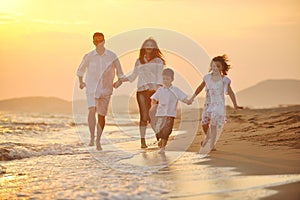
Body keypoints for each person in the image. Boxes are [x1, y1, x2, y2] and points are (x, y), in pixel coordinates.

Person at [77, 32, 125, 150]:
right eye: (96, 41)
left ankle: (98, 139)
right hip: (91, 88)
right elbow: (80, 70)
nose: (98, 43)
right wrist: (81, 82)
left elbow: (120, 73)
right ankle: (92, 138)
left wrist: (118, 82)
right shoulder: (89, 56)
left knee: (102, 116)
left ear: (104, 41)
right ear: (93, 42)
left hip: (106, 89)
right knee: (91, 110)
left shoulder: (112, 56)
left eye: (100, 40)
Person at [187, 55, 243, 154]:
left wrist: (235, 104)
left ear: (222, 68)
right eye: (213, 66)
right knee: (204, 124)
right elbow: (200, 88)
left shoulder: (225, 80)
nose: (215, 68)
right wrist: (192, 97)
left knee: (213, 125)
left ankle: (212, 145)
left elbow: (230, 92)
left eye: (218, 66)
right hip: (208, 104)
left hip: (218, 106)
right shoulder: (207, 77)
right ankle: (207, 137)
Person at [116, 37, 165, 148]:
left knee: (153, 116)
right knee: (143, 116)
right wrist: (121, 80)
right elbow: (133, 76)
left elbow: (159, 78)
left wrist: (158, 92)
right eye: (147, 45)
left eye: (151, 45)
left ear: (154, 48)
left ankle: (160, 138)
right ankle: (142, 141)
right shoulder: (139, 61)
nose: (149, 47)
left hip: (154, 92)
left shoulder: (158, 61)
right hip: (141, 92)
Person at [150, 68, 191, 154]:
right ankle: (160, 140)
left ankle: (163, 147)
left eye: (167, 79)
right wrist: (153, 106)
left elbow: (182, 97)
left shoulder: (175, 90)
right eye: (164, 79)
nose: (165, 80)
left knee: (167, 131)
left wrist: (187, 101)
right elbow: (154, 98)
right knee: (158, 130)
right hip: (160, 114)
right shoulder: (160, 90)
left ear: (172, 79)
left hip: (170, 114)